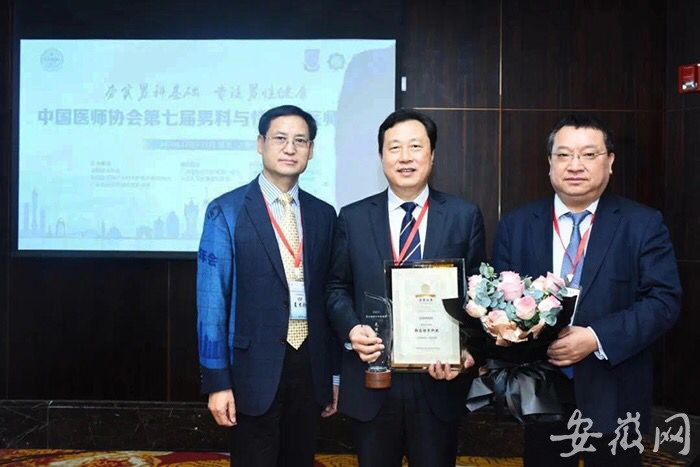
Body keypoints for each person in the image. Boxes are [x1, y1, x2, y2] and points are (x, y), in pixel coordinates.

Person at [491, 114, 681, 466]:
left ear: (610, 161)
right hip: (539, 393)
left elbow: (663, 302)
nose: (575, 165)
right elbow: (499, 303)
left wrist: (596, 337)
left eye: (589, 155)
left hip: (615, 390)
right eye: (564, 155)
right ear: (550, 163)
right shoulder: (517, 225)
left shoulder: (642, 224)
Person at [326, 108, 486, 466]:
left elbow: (479, 292)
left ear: (432, 154)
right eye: (394, 147)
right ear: (381, 156)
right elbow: (336, 287)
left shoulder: (463, 216)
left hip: (438, 380)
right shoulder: (352, 217)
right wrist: (352, 329)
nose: (405, 157)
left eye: (415, 146)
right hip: (373, 379)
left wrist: (466, 349)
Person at [196, 105, 339, 466]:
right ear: (261, 143)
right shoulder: (226, 210)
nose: (290, 148)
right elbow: (212, 304)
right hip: (251, 370)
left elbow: (330, 296)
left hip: (309, 367)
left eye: (300, 140)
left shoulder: (324, 214)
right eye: (280, 138)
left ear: (311, 150)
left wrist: (334, 375)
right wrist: (217, 382)